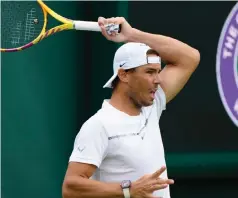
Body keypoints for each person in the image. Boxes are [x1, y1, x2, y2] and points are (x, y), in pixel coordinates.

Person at [62, 16, 200, 198]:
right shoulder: (99, 125)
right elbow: (71, 187)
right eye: (149, 72)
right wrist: (128, 190)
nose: (158, 80)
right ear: (124, 75)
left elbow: (190, 57)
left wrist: (131, 34)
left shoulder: (151, 106)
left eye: (158, 72)